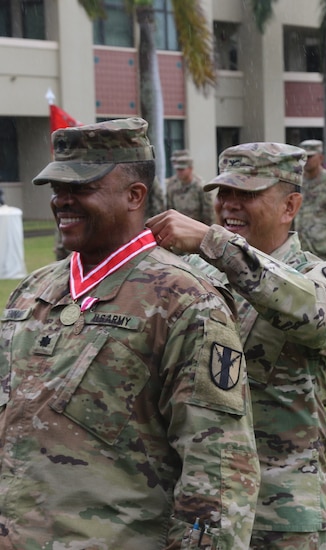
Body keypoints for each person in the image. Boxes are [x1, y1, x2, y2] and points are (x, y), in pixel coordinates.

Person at [0, 118, 260, 548]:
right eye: (56, 190)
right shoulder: (33, 291)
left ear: (134, 195)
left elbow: (218, 470)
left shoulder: (185, 301)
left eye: (80, 188)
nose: (62, 201)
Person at [147, 142, 326, 549]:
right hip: (199, 509)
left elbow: (318, 321)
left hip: (279, 512)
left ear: (289, 206)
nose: (230, 205)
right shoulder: (194, 271)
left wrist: (217, 245)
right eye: (224, 193)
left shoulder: (317, 280)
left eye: (247, 195)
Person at [165, 148, 213, 224]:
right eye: (177, 169)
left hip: (196, 228)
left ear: (190, 169)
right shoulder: (172, 186)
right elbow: (169, 210)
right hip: (179, 228)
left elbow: (208, 214)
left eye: (182, 169)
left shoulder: (200, 186)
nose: (179, 172)